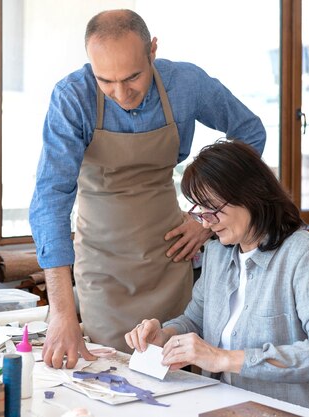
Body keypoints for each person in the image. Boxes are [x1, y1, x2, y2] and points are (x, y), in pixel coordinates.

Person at [29, 9, 266, 368]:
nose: (121, 93)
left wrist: (205, 220)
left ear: (152, 50)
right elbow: (50, 200)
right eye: (105, 81)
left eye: (133, 77)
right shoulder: (71, 98)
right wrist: (61, 312)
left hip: (170, 257)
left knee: (181, 373)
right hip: (102, 268)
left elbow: (250, 133)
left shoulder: (185, 84)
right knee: (110, 375)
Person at [125, 140, 309, 417]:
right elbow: (195, 319)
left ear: (251, 195)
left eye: (211, 208)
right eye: (199, 210)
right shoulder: (217, 254)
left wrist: (222, 359)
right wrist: (164, 335)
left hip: (299, 409)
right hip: (231, 406)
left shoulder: (306, 255)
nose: (205, 222)